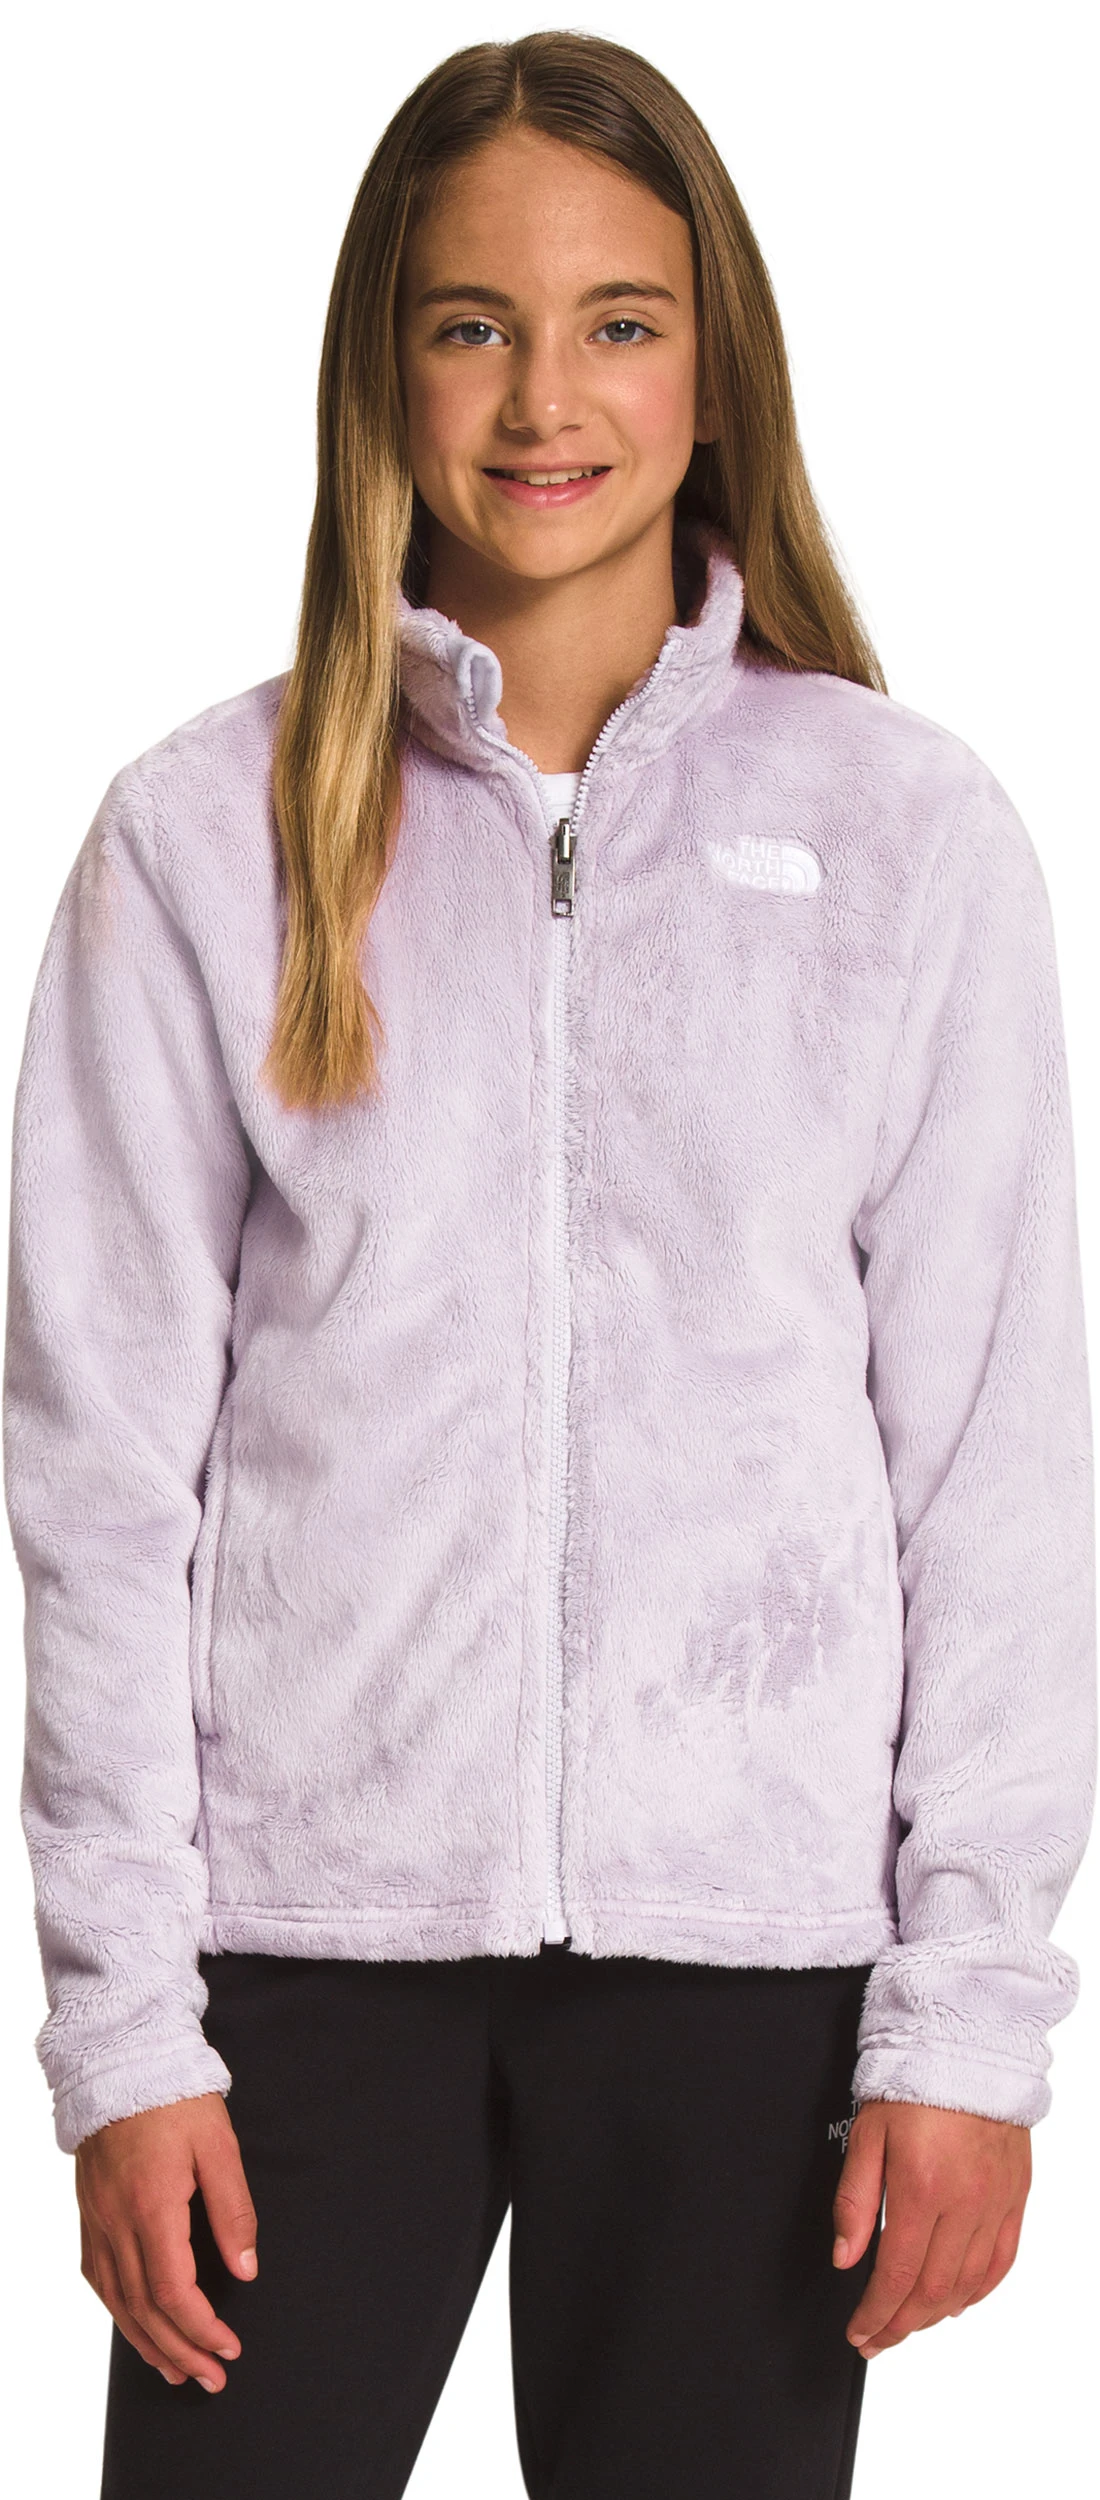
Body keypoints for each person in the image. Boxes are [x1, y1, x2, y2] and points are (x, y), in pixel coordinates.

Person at [3, 29, 1095, 2500]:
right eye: (471, 323)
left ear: (713, 368)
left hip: (752, 1968)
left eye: (617, 320)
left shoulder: (908, 840)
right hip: (301, 1960)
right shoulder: (202, 838)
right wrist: (126, 2029)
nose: (541, 399)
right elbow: (99, 1481)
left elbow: (995, 1468)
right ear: (381, 368)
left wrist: (964, 2014)